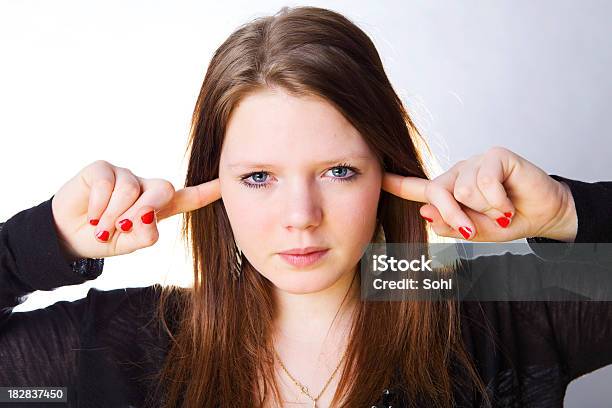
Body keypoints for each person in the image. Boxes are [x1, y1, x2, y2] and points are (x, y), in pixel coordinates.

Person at [1, 6, 612, 408]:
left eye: (338, 171)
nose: (301, 214)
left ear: (387, 172)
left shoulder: (471, 303)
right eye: (259, 176)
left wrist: (568, 212)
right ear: (214, 184)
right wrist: (46, 242)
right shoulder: (122, 345)